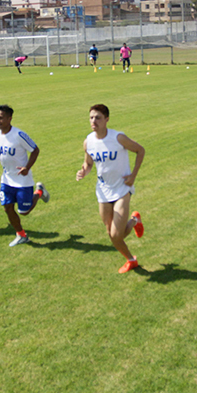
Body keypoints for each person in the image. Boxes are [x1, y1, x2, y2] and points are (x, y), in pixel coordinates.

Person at [76, 104, 146, 273]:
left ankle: (131, 260)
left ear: (107, 119)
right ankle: (135, 220)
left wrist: (133, 175)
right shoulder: (88, 141)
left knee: (115, 236)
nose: (94, 121)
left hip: (122, 188)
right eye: (91, 117)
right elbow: (88, 162)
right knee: (112, 233)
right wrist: (84, 171)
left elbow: (140, 150)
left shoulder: (118, 138)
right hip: (103, 191)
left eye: (98, 117)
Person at [0, 105, 50, 247]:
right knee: (7, 208)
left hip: (23, 180)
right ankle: (21, 235)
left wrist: (27, 167)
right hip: (7, 179)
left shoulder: (19, 135)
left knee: (24, 211)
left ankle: (39, 192)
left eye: (1, 118)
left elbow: (35, 150)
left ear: (9, 118)